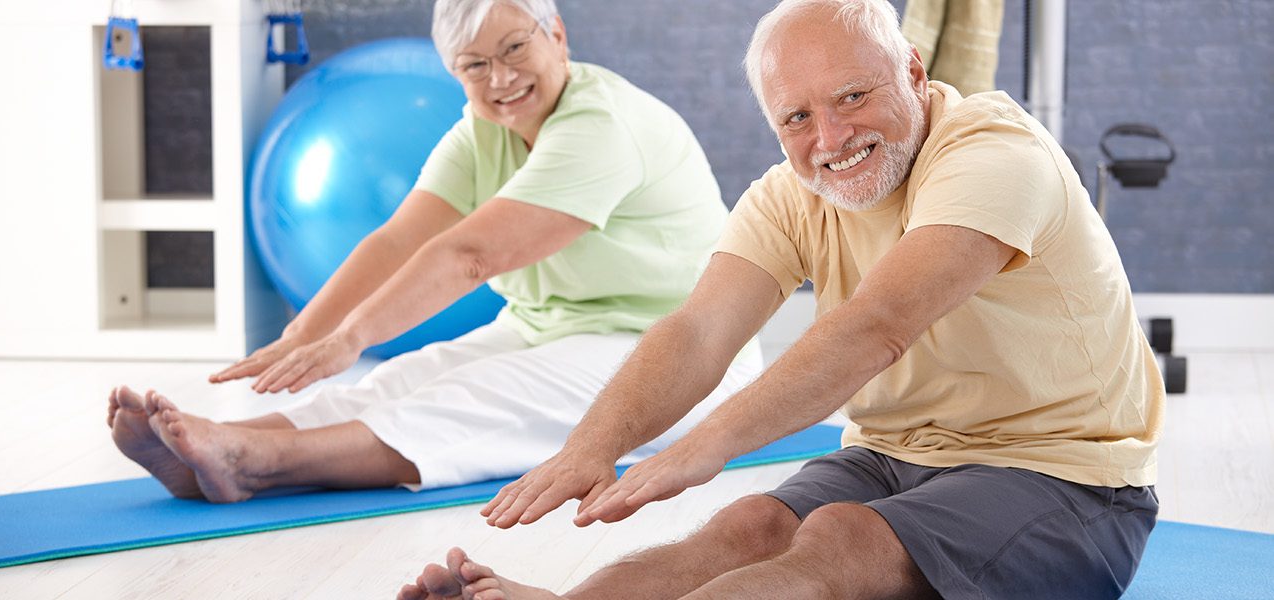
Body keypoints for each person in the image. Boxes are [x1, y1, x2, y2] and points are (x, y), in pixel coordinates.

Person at [400, 0, 1164, 598]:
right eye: (796, 117)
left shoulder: (995, 156)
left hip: (1069, 484)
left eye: (854, 96)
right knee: (747, 526)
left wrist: (707, 443)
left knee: (843, 539)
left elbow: (879, 325)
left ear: (913, 70)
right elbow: (701, 330)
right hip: (894, 455)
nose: (829, 137)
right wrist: (594, 444)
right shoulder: (789, 195)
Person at [104, 0, 761, 504]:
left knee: (486, 392)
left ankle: (258, 465)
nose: (500, 78)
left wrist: (349, 339)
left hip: (687, 354)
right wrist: (303, 332)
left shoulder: (601, 126)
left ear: (556, 34)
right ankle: (214, 454)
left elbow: (471, 256)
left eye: (513, 49)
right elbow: (398, 239)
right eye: (475, 66)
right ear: (455, 74)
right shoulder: (481, 132)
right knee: (405, 377)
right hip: (556, 330)